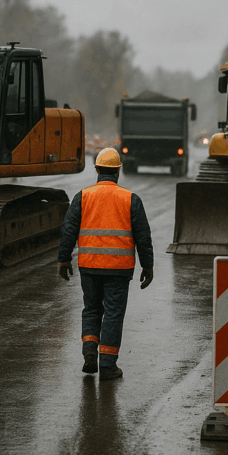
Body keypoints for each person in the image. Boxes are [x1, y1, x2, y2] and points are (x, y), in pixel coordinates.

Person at [57, 148, 154, 381]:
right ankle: (108, 367)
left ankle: (90, 350)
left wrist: (63, 259)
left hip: (89, 266)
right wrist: (147, 266)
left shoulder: (83, 196)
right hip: (119, 269)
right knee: (113, 314)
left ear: (98, 170)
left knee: (91, 309)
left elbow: (68, 230)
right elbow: (143, 236)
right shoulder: (131, 199)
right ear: (118, 172)